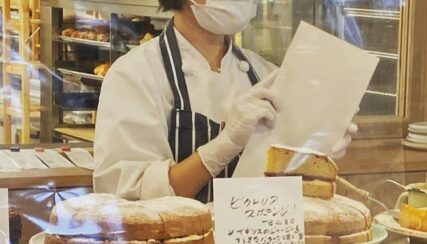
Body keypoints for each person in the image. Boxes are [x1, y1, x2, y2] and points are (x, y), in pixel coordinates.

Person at [93, 0, 356, 203]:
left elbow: (287, 187)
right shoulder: (135, 75)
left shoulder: (266, 74)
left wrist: (318, 147)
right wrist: (224, 145)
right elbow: (131, 200)